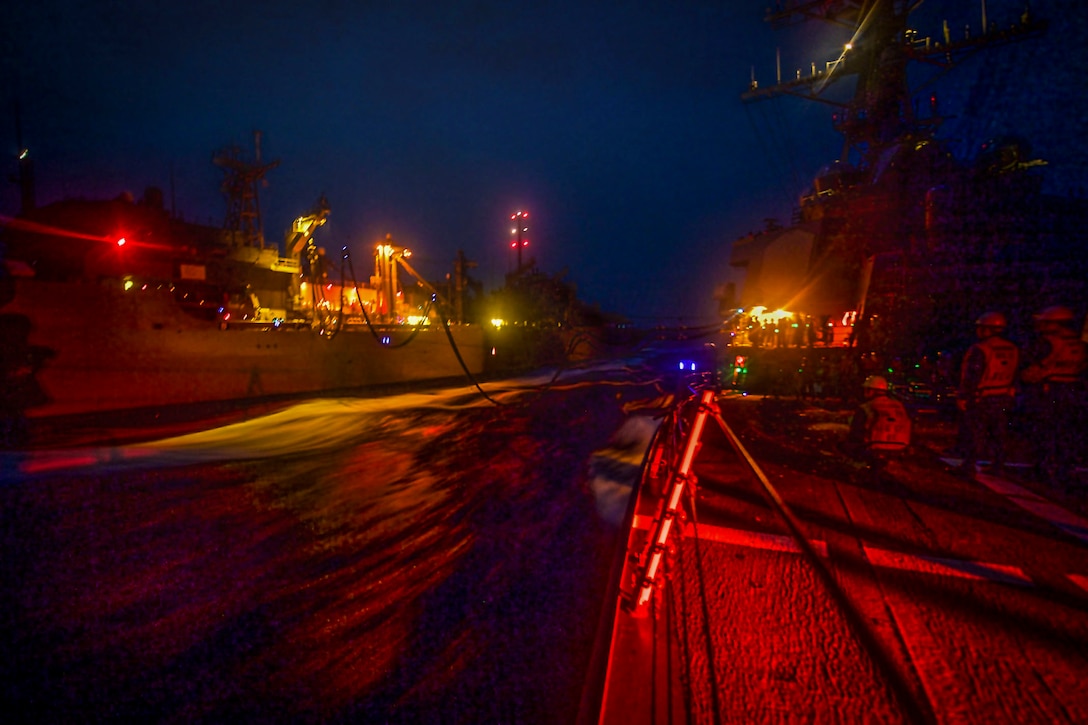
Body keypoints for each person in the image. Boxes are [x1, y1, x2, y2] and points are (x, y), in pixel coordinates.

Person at [1021, 305, 1087, 487]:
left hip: (1050, 391)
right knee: (1066, 432)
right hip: (1072, 390)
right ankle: (1064, 469)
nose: (1041, 326)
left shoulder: (1046, 342)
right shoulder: (1079, 343)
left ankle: (1042, 469)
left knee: (1045, 431)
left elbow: (1030, 371)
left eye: (1045, 323)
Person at [956, 311, 1020, 478]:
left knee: (975, 431)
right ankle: (998, 465)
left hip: (982, 397)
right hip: (1003, 396)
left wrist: (964, 396)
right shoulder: (1012, 348)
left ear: (987, 329)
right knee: (998, 432)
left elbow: (973, 374)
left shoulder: (981, 349)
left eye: (980, 328)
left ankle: (969, 466)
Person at [846, 375, 911, 473]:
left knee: (843, 445)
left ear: (871, 391)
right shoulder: (899, 405)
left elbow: (855, 432)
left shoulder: (866, 408)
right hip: (900, 447)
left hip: (873, 448)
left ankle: (857, 466)